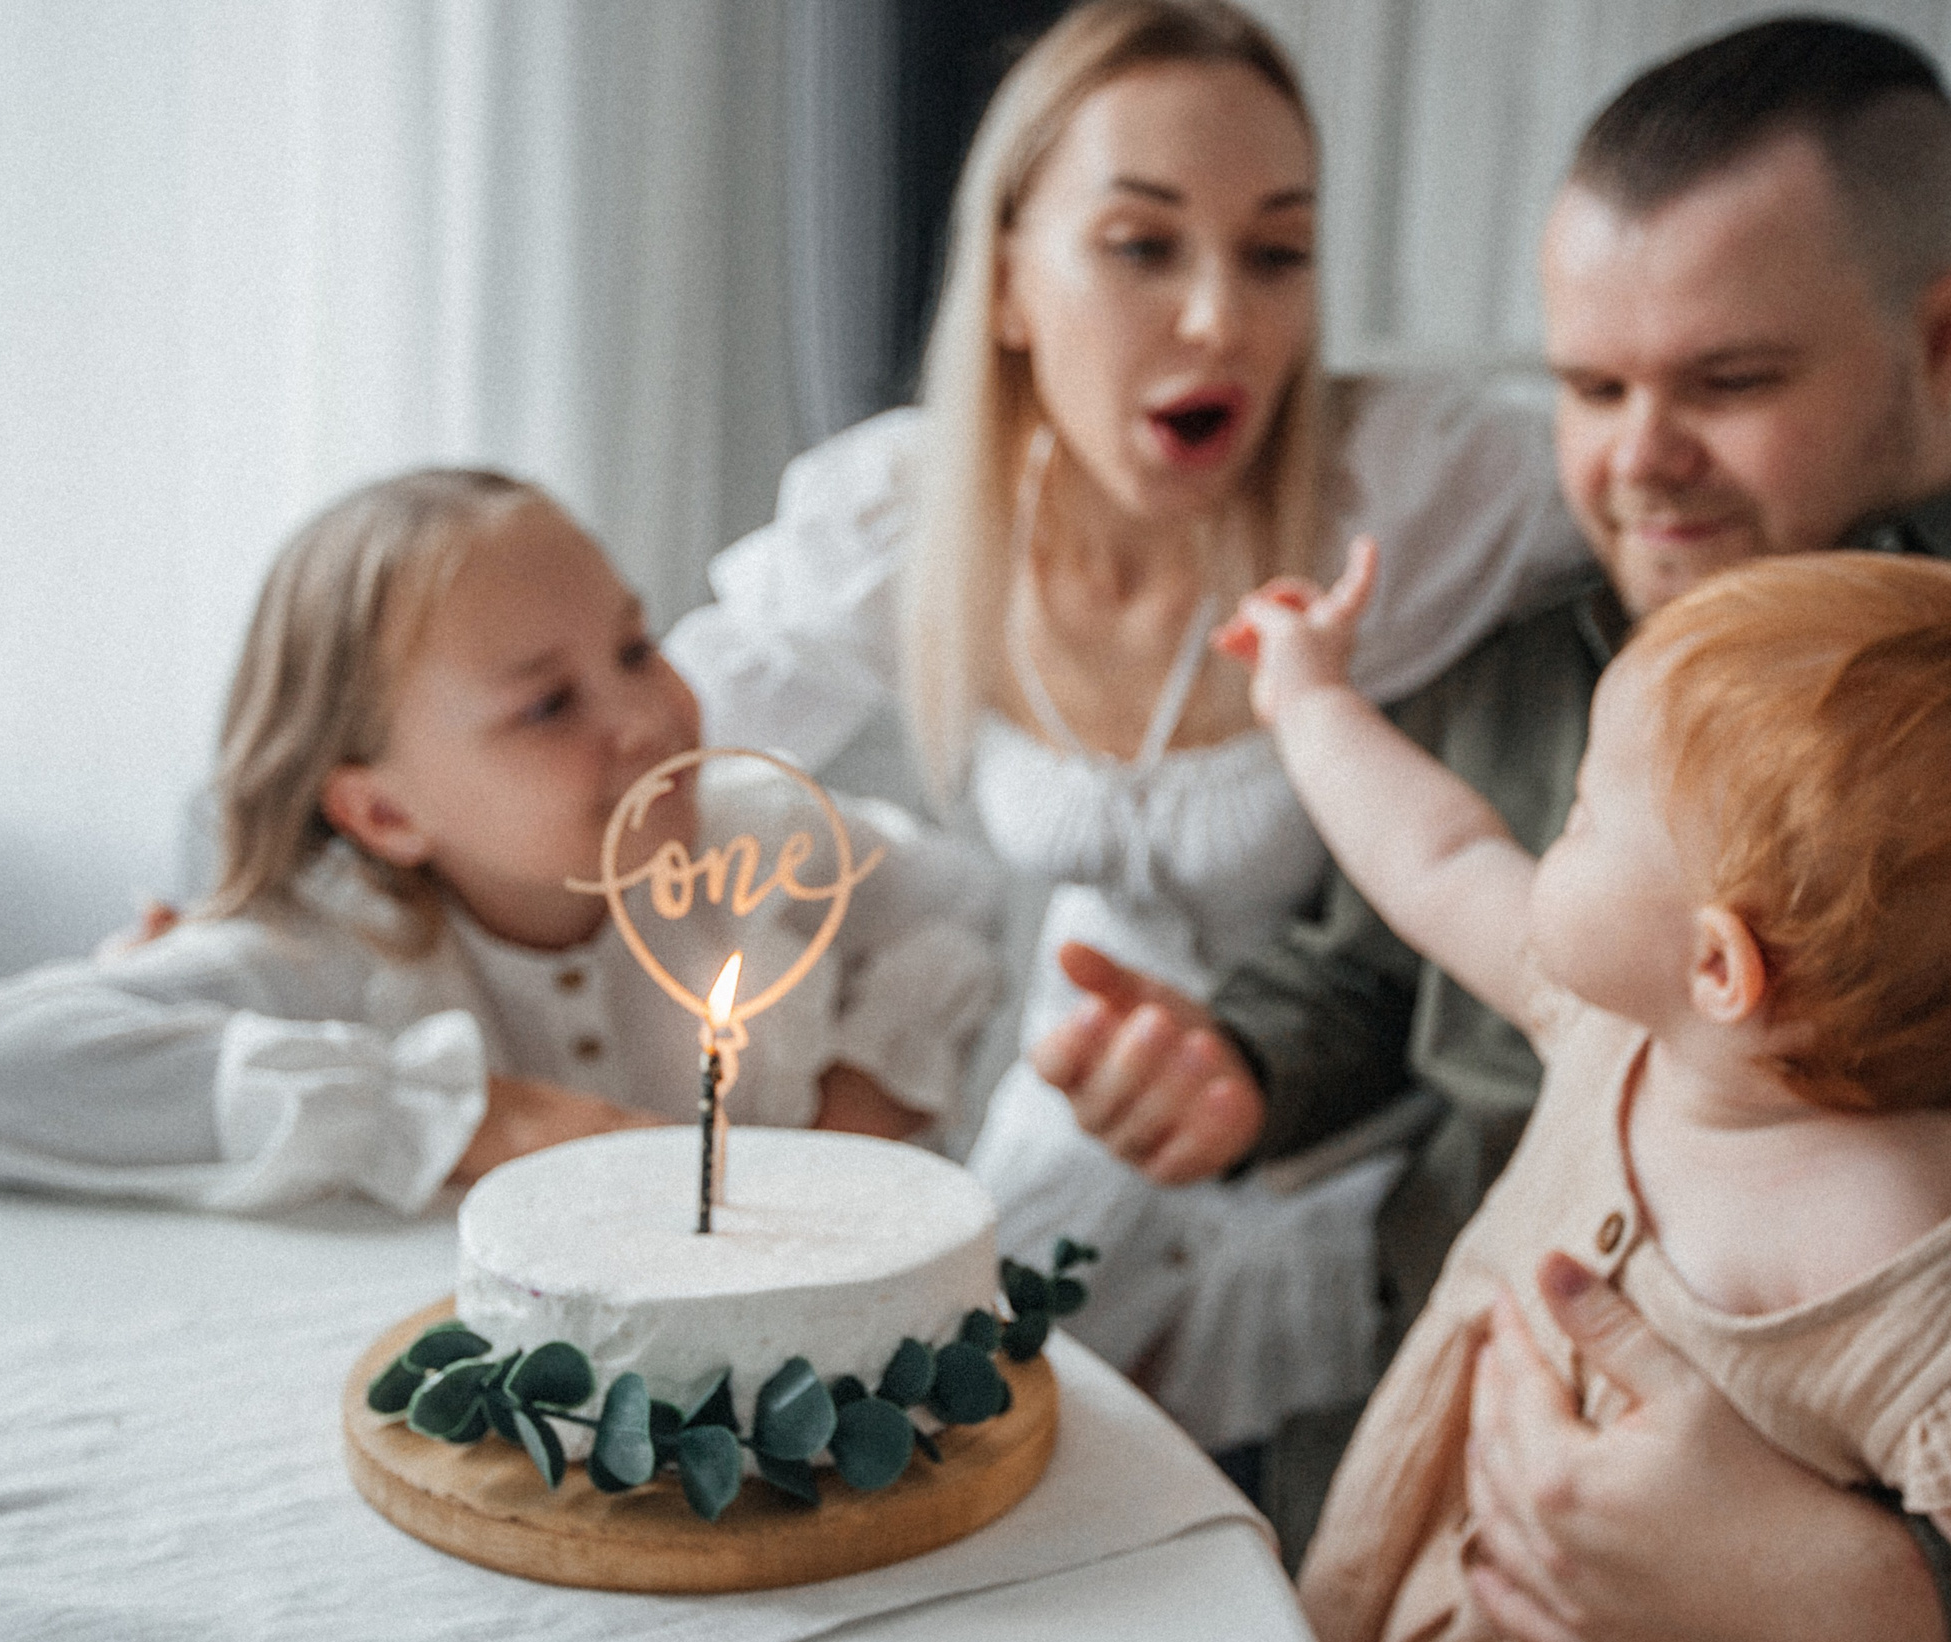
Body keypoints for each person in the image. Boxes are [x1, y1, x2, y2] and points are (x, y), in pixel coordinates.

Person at [1035, 17, 1951, 1642]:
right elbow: (1390, 939)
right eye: (1590, 387)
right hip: (1379, 1505)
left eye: (1731, 383)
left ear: (1945, 336)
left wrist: (1896, 1606)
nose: (1637, 463)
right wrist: (1240, 1061)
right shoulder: (1540, 639)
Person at [661, 0, 1592, 1460]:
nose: (1222, 319)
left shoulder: (1401, 491)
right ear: (1009, 284)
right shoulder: (909, 515)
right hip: (1063, 1132)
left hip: (1328, 1182)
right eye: (1143, 245)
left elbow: (1682, 485)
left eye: (1276, 253)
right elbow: (648, 750)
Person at [1226, 544, 1951, 1642]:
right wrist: (1309, 696)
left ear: (1718, 964)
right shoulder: (1632, 1034)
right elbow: (1436, 852)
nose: (1548, 834)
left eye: (1582, 814)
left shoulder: (1926, 1299)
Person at [0, 470, 997, 1213]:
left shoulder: (758, 842)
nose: (649, 719)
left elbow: (953, 913)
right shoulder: (333, 952)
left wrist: (856, 1115)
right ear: (384, 813)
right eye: (547, 705)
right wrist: (476, 1117)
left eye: (634, 646)